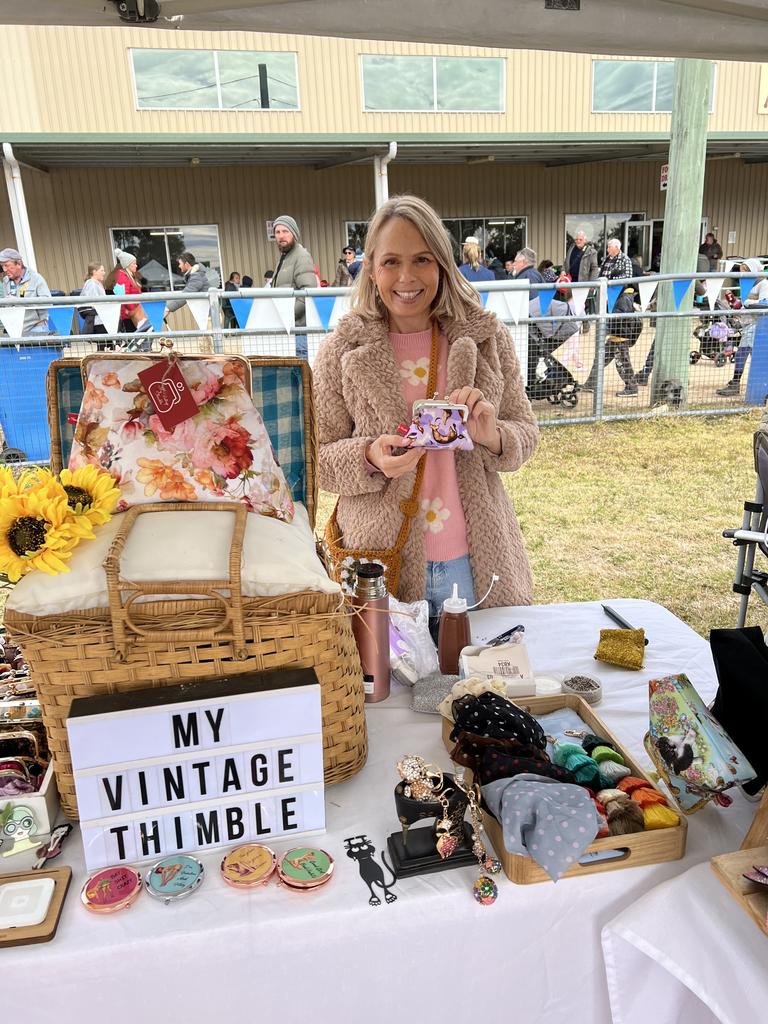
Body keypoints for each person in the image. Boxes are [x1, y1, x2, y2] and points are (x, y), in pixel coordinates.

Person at [313, 194, 539, 624]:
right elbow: (317, 458)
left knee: (474, 684)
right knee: (387, 687)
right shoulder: (341, 351)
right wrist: (368, 457)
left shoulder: (485, 339)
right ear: (371, 268)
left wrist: (493, 435)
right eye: (390, 262)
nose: (406, 277)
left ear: (442, 264)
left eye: (422, 260)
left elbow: (525, 431)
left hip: (474, 559)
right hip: (379, 560)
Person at [581, 239, 638, 396]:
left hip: (620, 321)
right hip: (611, 312)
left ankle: (631, 387)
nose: (607, 249)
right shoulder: (607, 259)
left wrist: (609, 282)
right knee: (603, 354)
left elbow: (627, 277)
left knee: (620, 355)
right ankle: (591, 383)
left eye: (609, 246)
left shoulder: (624, 261)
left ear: (617, 248)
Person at [716, 258, 768, 398]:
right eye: (741, 270)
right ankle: (739, 383)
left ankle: (736, 383)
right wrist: (734, 303)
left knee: (742, 354)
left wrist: (748, 302)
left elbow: (764, 303)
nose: (742, 273)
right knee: (749, 354)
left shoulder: (763, 284)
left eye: (745, 270)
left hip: (757, 324)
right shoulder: (748, 285)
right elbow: (744, 304)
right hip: (747, 324)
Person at [271, 214, 317, 359]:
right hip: (290, 328)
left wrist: (289, 315)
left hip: (299, 329)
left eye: (285, 231)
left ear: (294, 234)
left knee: (301, 374)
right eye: (277, 232)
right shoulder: (284, 258)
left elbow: (307, 292)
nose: (281, 236)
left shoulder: (301, 256)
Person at [0, 247, 51, 335]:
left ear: (19, 264)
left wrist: (19, 301)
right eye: (2, 266)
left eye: (7, 265)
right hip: (14, 330)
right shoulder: (6, 281)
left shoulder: (36, 279)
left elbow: (48, 303)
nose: (4, 270)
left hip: (36, 328)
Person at [110, 249, 152, 339]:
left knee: (139, 339)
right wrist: (133, 310)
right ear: (127, 265)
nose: (136, 265)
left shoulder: (130, 275)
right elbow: (125, 295)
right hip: (130, 315)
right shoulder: (123, 276)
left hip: (135, 313)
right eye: (134, 264)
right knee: (135, 340)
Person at [78, 261, 109, 346]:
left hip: (101, 319)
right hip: (97, 321)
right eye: (102, 270)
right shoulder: (91, 284)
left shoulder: (98, 284)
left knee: (105, 346)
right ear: (94, 272)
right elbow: (95, 302)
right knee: (105, 345)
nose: (104, 272)